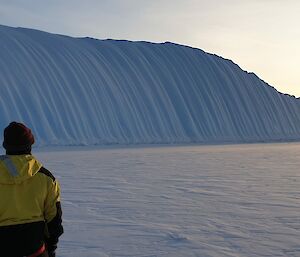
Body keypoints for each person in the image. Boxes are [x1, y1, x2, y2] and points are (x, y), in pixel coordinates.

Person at [0, 122, 63, 257]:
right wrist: (50, 248)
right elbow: (54, 218)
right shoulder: (46, 178)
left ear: (6, 146)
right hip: (34, 249)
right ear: (30, 144)